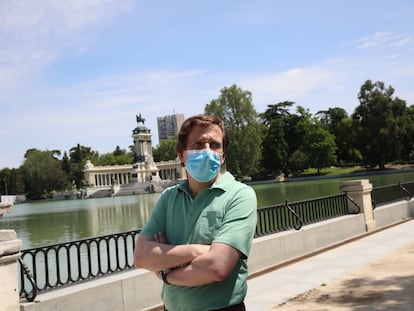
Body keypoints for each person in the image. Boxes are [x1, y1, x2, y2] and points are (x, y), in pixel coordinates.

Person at [134, 114, 257, 311]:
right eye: (199, 145)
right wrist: (197, 251)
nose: (208, 151)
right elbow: (141, 256)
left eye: (215, 145)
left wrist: (166, 272)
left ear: (223, 155)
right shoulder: (168, 197)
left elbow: (217, 267)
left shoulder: (240, 195)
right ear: (182, 154)